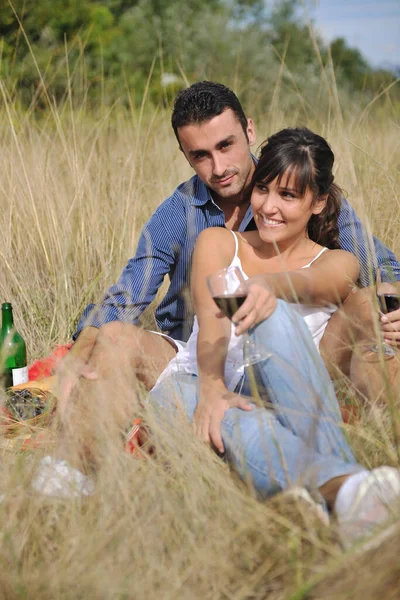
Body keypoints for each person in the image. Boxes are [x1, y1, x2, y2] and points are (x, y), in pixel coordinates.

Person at [57, 81, 400, 410]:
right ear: (184, 154)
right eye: (200, 155)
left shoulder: (297, 189)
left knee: (382, 314)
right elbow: (129, 294)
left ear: (249, 131)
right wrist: (82, 348)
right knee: (111, 342)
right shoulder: (178, 211)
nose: (218, 168)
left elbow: (382, 270)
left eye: (225, 145)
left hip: (295, 350)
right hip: (194, 349)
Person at [147, 127, 400, 548]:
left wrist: (270, 287)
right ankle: (353, 490)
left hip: (291, 395)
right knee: (191, 405)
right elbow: (211, 322)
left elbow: (311, 283)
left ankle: (338, 494)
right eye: (263, 189)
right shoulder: (217, 243)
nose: (268, 207)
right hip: (204, 381)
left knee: (271, 318)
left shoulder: (340, 261)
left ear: (318, 202)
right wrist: (211, 388)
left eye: (288, 195)